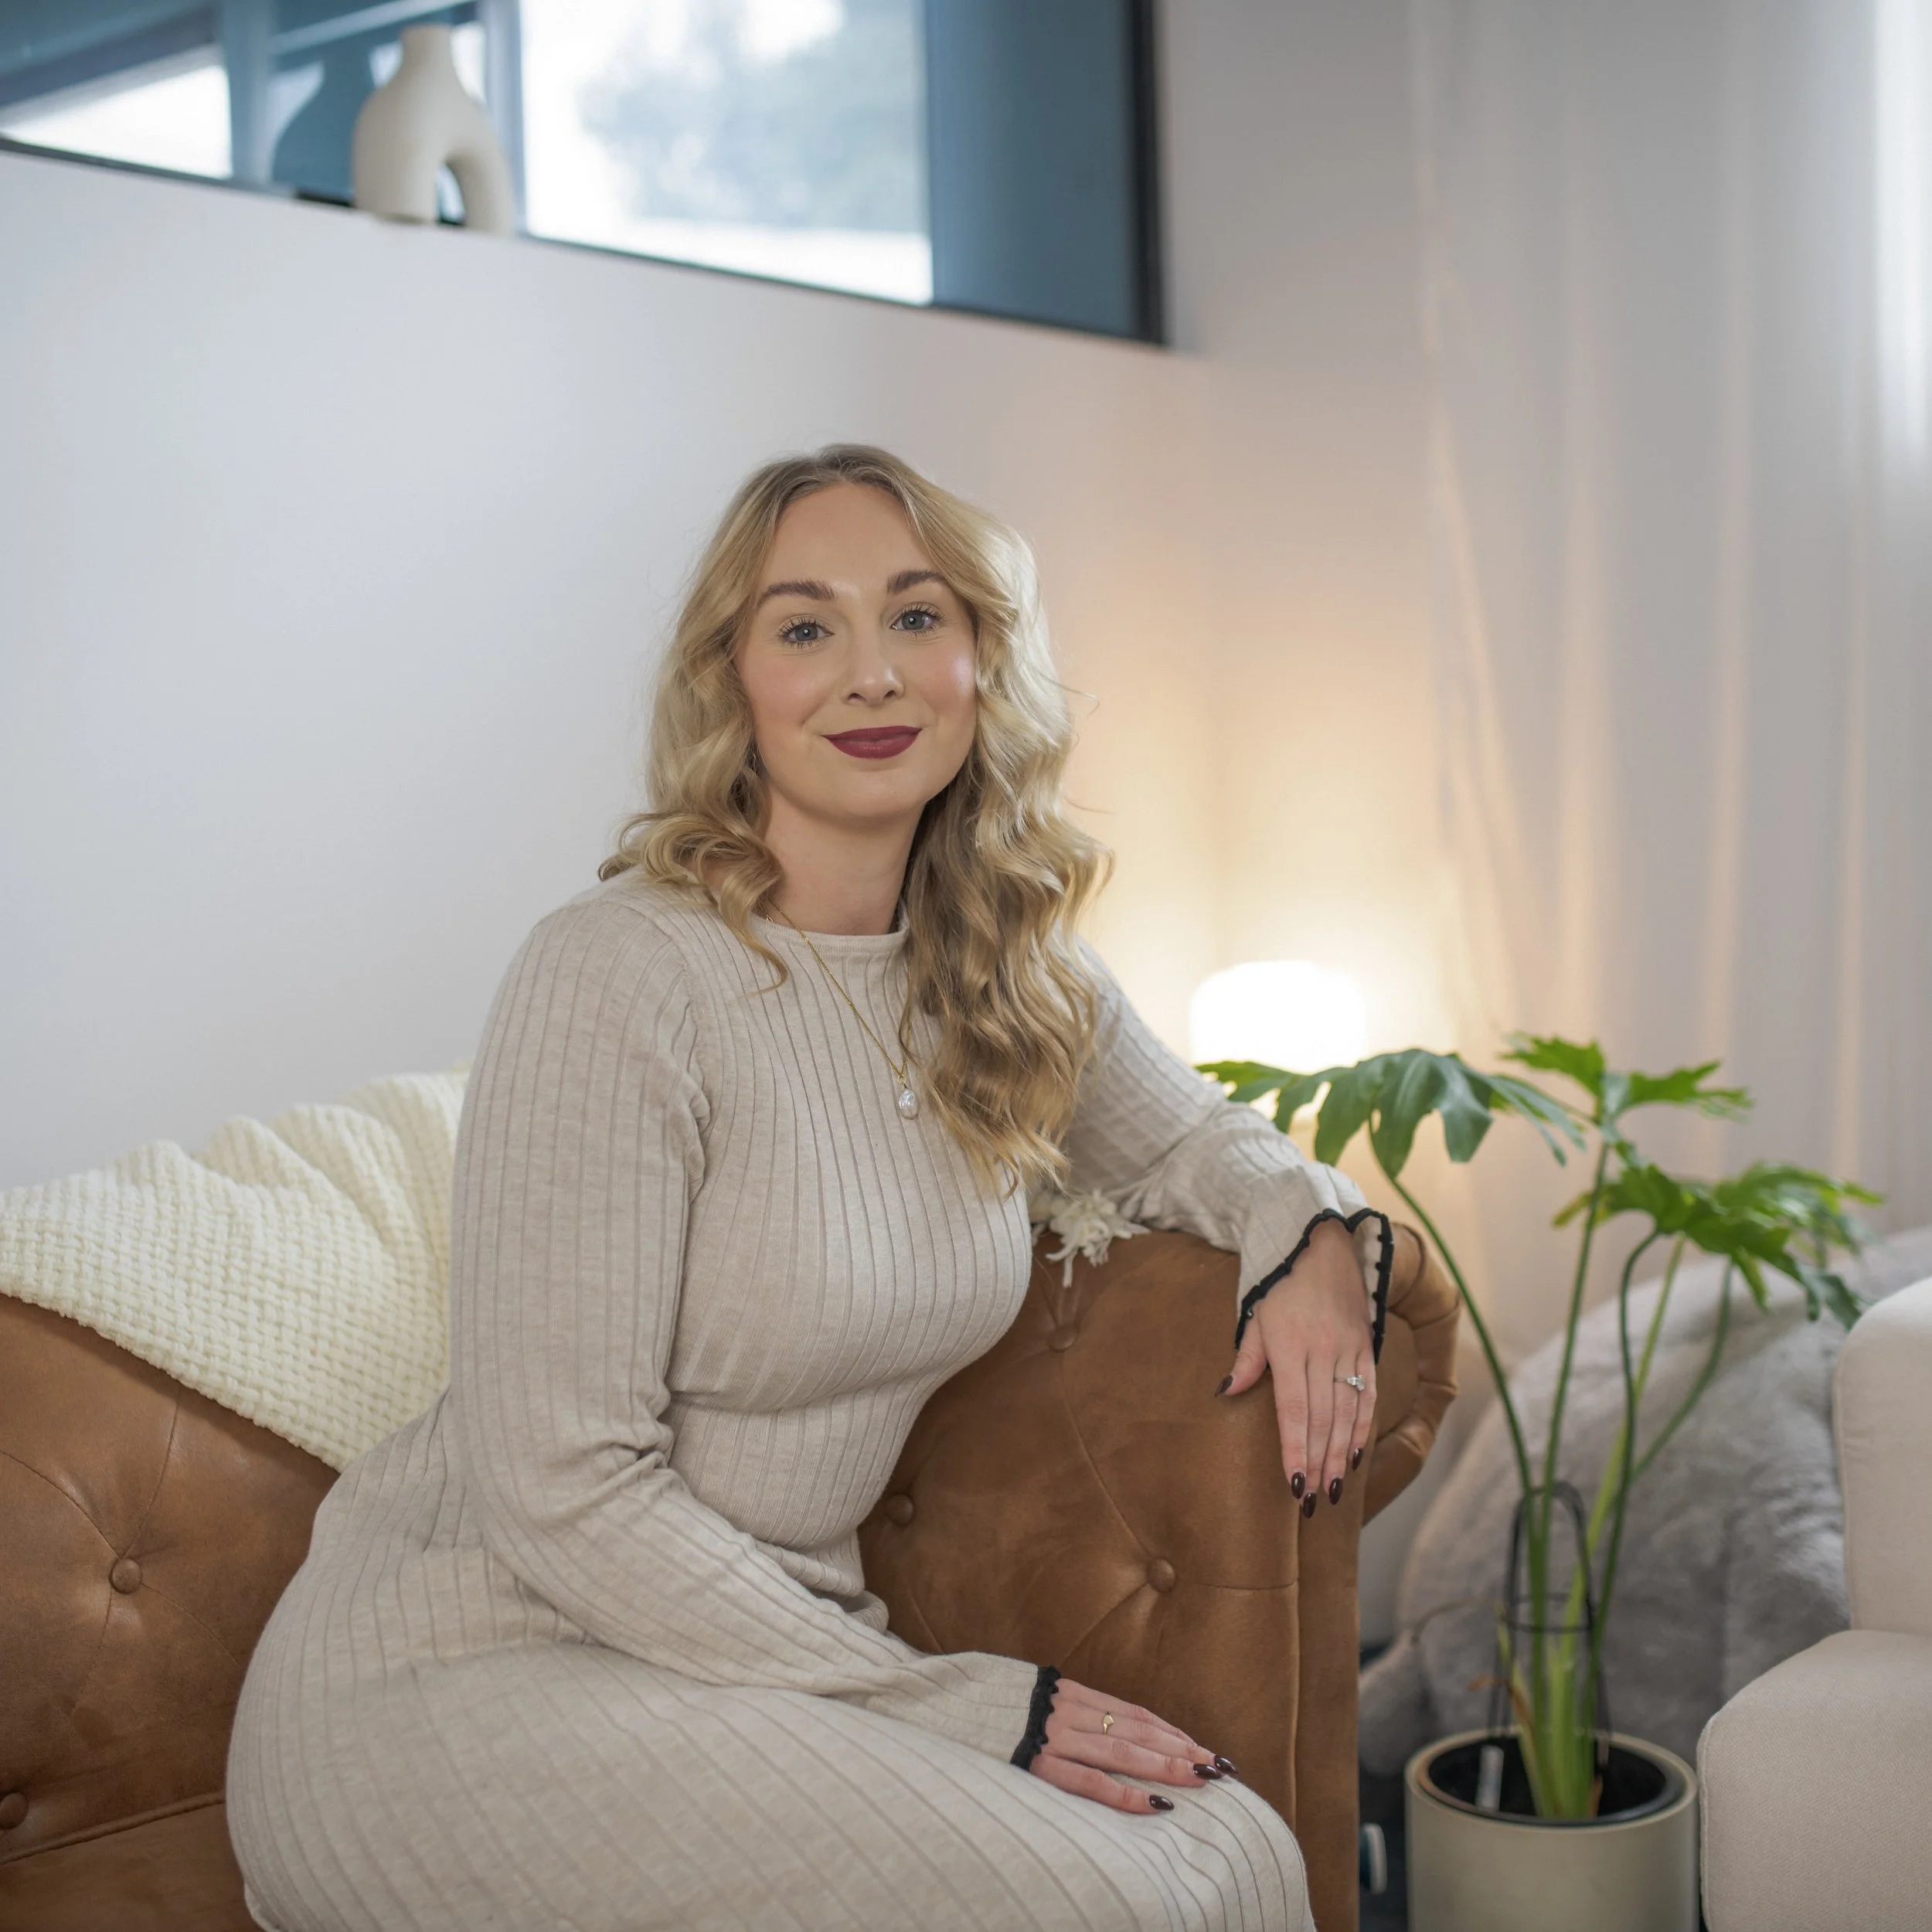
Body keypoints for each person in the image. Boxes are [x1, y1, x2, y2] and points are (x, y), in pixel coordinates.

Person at [226, 446, 1389, 1932]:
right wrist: (928, 1696)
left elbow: (1197, 1145)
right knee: (1119, 1903)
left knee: (1237, 1850)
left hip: (746, 1663)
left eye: (916, 617)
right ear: (736, 683)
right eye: (803, 627)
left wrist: (1313, 1237)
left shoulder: (1006, 973)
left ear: (983, 662)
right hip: (468, 1671)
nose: (869, 675)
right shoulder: (622, 970)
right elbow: (560, 1486)